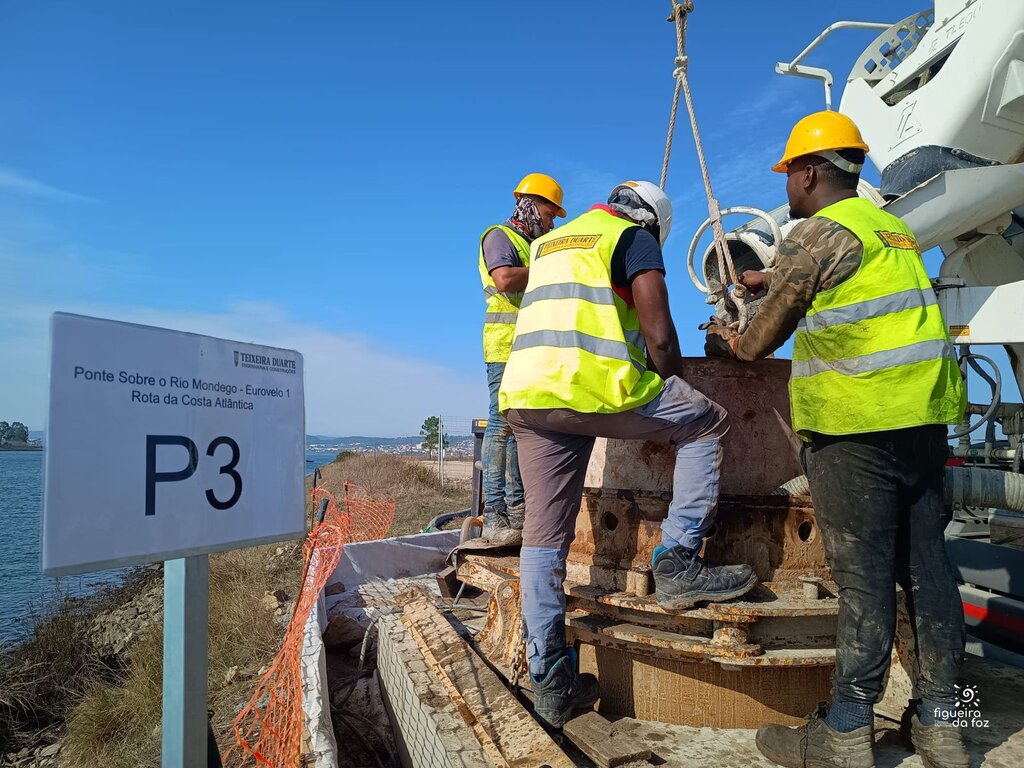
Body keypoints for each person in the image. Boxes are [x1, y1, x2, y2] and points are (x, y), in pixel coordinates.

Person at [704, 111, 968, 768]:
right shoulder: (891, 231)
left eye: (791, 173)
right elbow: (848, 286)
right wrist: (776, 280)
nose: (787, 186)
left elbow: (761, 340)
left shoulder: (813, 234)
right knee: (929, 571)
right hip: (924, 422)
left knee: (863, 580)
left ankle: (846, 730)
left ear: (812, 172)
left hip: (855, 430)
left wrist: (728, 339)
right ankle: (945, 725)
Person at [499, 180, 758, 728]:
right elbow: (659, 335)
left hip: (526, 397)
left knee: (543, 541)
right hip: (594, 392)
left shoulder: (552, 241)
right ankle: (679, 562)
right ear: (653, 223)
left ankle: (549, 681)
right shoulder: (632, 238)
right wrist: (677, 386)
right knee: (706, 422)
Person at [477, 173, 566, 544]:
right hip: (504, 347)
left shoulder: (536, 246)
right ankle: (494, 515)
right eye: (549, 212)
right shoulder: (499, 236)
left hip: (530, 348)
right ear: (530, 203)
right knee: (501, 427)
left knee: (520, 428)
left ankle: (518, 514)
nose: (551, 221)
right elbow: (504, 279)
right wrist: (550, 268)